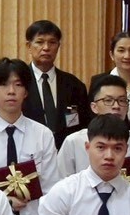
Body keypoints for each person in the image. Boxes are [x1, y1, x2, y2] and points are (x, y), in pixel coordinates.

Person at [0, 58, 62, 215]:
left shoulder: (42, 134)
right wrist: (4, 202)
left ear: (26, 91)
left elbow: (51, 187)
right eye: (3, 85)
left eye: (18, 85)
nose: (11, 91)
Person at [57, 76, 130, 197]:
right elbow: (60, 186)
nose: (116, 106)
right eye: (108, 100)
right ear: (94, 107)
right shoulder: (74, 141)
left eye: (122, 100)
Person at [20, 19, 89, 148]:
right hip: (28, 152)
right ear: (29, 46)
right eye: (40, 42)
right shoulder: (19, 83)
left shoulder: (75, 85)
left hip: (66, 153)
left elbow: (83, 127)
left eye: (52, 42)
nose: (46, 48)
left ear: (58, 46)